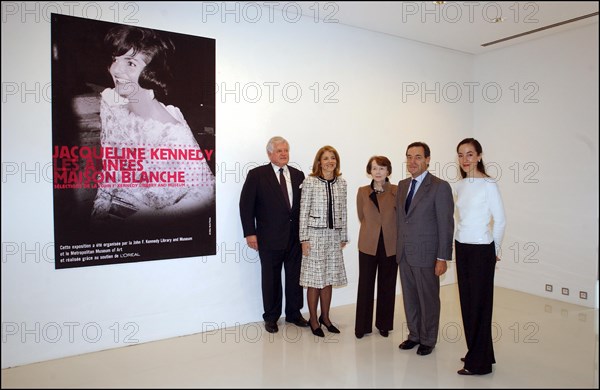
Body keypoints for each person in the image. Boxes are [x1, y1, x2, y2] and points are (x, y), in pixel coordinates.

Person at [91, 25, 215, 223]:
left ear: (151, 72)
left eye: (130, 63)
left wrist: (145, 222)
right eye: (115, 59)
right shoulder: (111, 102)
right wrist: (100, 210)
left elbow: (205, 193)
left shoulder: (171, 130)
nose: (115, 69)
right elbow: (110, 165)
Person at [239, 136, 309, 333]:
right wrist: (249, 233)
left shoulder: (298, 175)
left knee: (295, 277)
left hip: (294, 237)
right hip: (268, 238)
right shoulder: (257, 175)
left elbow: (303, 206)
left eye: (286, 150)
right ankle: (271, 317)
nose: (284, 154)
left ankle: (294, 313)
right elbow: (246, 206)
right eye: (279, 151)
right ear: (269, 153)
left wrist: (305, 235)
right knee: (271, 278)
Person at [396, 141, 454, 356]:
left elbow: (445, 224)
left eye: (418, 157)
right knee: (410, 297)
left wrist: (442, 257)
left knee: (428, 299)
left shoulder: (440, 186)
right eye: (409, 156)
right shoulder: (402, 185)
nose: (412, 161)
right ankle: (414, 335)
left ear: (428, 159)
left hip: (427, 255)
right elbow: (401, 220)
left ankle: (428, 339)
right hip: (405, 253)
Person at [454, 138, 506, 375]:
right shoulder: (461, 185)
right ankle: (478, 351)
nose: (465, 160)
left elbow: (501, 220)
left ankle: (479, 364)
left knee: (479, 306)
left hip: (481, 250)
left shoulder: (489, 184)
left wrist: (494, 251)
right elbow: (462, 218)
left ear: (479, 156)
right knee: (467, 304)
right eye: (461, 155)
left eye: (470, 154)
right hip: (462, 247)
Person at [299, 145, 348, 337]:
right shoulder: (310, 182)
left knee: (329, 278)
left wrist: (343, 235)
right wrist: (304, 238)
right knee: (314, 280)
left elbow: (343, 211)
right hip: (314, 236)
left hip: (333, 236)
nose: (330, 161)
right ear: (319, 162)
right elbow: (303, 211)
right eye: (325, 158)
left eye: (333, 158)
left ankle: (325, 318)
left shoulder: (341, 183)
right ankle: (313, 319)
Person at [355, 156, 398, 339]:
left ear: (388, 171)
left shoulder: (397, 190)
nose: (378, 172)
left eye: (382, 168)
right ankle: (362, 327)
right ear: (369, 171)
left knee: (387, 285)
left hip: (390, 244)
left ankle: (384, 324)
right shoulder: (363, 191)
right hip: (368, 244)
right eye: (374, 168)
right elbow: (361, 215)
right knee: (365, 285)